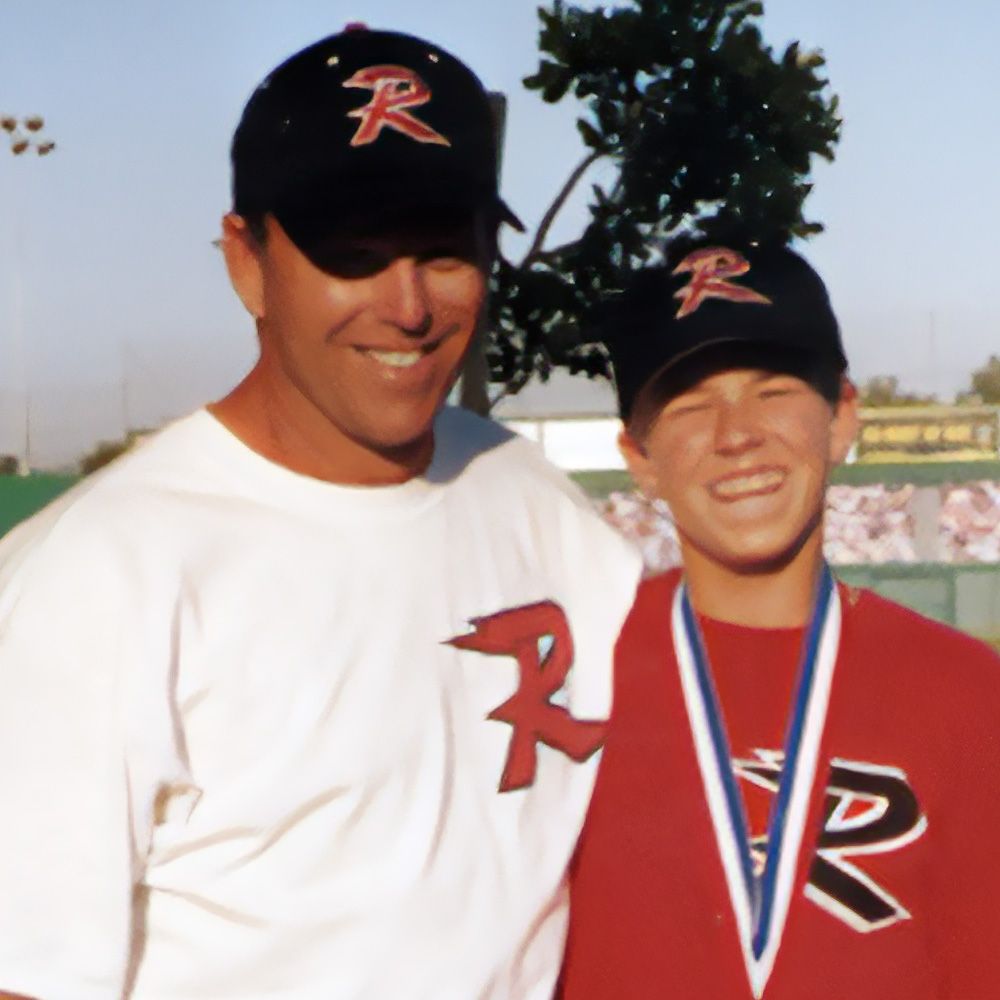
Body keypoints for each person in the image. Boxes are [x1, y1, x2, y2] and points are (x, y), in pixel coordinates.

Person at [0, 27, 640, 1000]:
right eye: (354, 254)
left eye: (444, 250)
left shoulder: (528, 494)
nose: (409, 305)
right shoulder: (94, 574)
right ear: (247, 261)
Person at [558, 243, 1000, 999]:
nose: (736, 434)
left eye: (772, 391)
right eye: (691, 404)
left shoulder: (968, 693)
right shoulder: (568, 677)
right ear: (639, 457)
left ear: (842, 417)